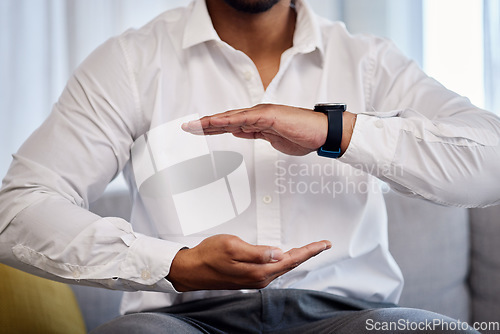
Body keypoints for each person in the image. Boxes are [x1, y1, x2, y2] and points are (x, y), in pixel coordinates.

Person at [0, 0, 498, 332]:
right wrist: (173, 264)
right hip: (183, 321)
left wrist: (334, 129)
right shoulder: (131, 61)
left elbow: (490, 161)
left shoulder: (371, 61)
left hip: (355, 319)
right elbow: (18, 209)